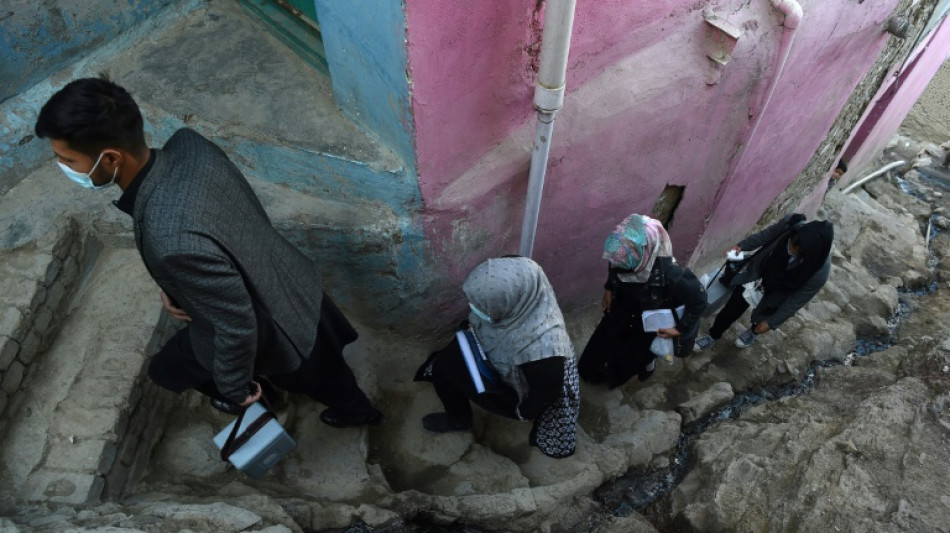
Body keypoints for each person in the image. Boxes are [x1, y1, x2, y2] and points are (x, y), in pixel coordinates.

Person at [34, 77, 381, 427]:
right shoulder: (189, 146)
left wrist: (235, 387)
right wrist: (180, 287)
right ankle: (349, 408)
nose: (64, 168)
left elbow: (236, 325)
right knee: (333, 377)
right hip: (294, 281)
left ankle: (344, 411)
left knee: (167, 370)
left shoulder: (169, 239)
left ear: (110, 159)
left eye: (67, 159)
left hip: (282, 333)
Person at [414, 257, 580, 458]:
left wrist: (523, 411)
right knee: (444, 365)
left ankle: (459, 420)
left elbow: (542, 397)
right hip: (504, 352)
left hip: (519, 391)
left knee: (449, 370)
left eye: (483, 306)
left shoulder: (544, 355)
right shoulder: (528, 277)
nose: (474, 309)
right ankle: (459, 415)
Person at [578, 214, 706, 387]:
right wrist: (609, 289)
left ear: (646, 253)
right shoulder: (624, 251)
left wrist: (680, 329)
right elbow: (614, 266)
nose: (616, 266)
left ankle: (616, 376)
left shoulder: (673, 276)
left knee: (628, 356)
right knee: (602, 344)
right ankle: (589, 372)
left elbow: (699, 300)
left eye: (623, 264)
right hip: (620, 310)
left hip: (645, 324)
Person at [694, 214, 834, 350]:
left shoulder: (819, 273)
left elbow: (795, 302)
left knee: (761, 319)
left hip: (779, 292)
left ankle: (753, 332)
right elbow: (766, 235)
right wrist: (742, 246)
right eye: (790, 244)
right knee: (732, 308)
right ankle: (713, 335)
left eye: (796, 251)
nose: (790, 250)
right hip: (759, 274)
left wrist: (771, 323)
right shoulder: (790, 224)